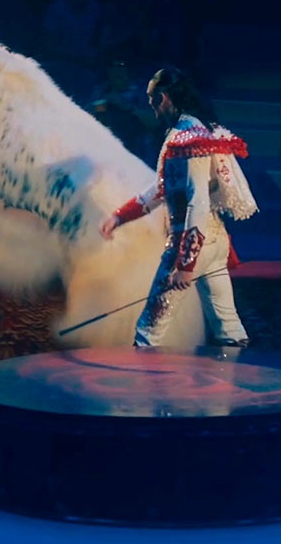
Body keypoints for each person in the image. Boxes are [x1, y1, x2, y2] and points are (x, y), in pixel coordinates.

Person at [99, 68, 257, 347]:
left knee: (149, 330)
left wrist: (186, 264)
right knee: (228, 324)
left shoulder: (187, 138)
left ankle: (146, 376)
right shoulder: (196, 131)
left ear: (162, 98)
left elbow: (198, 201)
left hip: (190, 242)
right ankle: (233, 371)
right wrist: (120, 217)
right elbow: (163, 187)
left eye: (151, 99)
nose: (150, 106)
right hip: (214, 241)